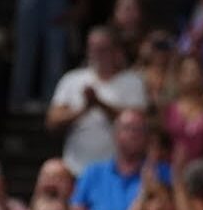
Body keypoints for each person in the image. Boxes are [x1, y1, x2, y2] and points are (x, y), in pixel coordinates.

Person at [47, 26, 149, 174]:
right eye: (92, 48)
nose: (97, 54)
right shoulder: (72, 79)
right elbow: (52, 121)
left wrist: (99, 104)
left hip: (116, 172)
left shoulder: (133, 81)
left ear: (116, 51)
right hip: (75, 169)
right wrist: (83, 109)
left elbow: (138, 122)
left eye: (103, 49)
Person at [70, 109, 171, 210]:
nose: (133, 134)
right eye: (127, 128)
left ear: (147, 137)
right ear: (115, 134)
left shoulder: (162, 172)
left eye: (138, 129)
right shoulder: (93, 173)